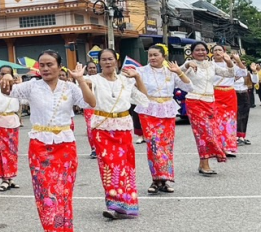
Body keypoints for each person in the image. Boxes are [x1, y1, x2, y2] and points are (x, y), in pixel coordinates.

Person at [8, 51, 96, 232]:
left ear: (59, 66)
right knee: (44, 188)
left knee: (64, 188)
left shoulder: (70, 88)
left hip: (65, 143)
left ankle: (64, 231)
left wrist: (81, 80)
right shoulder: (32, 86)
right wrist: (5, 80)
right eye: (42, 65)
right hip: (40, 143)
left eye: (50, 64)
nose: (45, 68)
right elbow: (9, 92)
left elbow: (91, 102)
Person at [85, 49, 149, 219]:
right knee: (108, 165)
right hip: (102, 128)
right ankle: (113, 204)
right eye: (104, 59)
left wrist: (137, 78)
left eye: (110, 59)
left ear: (116, 61)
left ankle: (127, 203)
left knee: (125, 165)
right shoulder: (92, 80)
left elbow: (143, 99)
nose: (107, 62)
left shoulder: (125, 81)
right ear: (99, 62)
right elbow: (84, 96)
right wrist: (79, 80)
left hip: (123, 126)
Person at [136, 47, 191, 193]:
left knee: (166, 146)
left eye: (155, 55)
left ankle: (164, 180)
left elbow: (189, 87)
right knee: (153, 145)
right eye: (150, 55)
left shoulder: (171, 71)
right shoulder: (141, 71)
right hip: (149, 110)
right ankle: (155, 180)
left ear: (163, 56)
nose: (152, 58)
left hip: (167, 110)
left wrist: (179, 72)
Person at [183, 44, 226, 175]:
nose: (200, 52)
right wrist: (186, 65)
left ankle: (203, 162)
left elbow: (229, 73)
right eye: (197, 50)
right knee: (203, 133)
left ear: (208, 52)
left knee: (212, 133)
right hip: (194, 101)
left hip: (211, 102)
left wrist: (229, 61)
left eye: (203, 50)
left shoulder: (212, 65)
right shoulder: (188, 64)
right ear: (192, 52)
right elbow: (177, 72)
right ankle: (205, 164)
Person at [0, 66, 21, 192]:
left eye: (7, 74)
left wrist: (21, 86)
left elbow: (26, 102)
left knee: (12, 153)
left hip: (12, 122)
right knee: (0, 153)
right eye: (2, 74)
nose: (4, 76)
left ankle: (11, 178)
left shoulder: (16, 87)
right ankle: (4, 179)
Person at [210, 46, 238, 159]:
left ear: (224, 52)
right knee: (216, 121)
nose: (217, 52)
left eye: (219, 50)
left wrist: (232, 62)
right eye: (215, 50)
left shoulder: (230, 64)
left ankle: (229, 147)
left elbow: (241, 73)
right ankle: (217, 147)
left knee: (229, 120)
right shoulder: (210, 65)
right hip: (215, 93)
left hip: (229, 95)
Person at [233, 56, 254, 146]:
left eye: (238, 62)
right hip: (234, 94)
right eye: (234, 62)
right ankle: (236, 137)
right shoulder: (229, 73)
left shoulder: (246, 73)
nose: (236, 64)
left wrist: (254, 71)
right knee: (237, 115)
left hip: (244, 94)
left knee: (244, 115)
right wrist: (234, 78)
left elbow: (254, 81)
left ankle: (242, 136)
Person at [82, 61, 101, 159]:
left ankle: (100, 148)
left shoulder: (101, 78)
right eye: (90, 68)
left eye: (94, 67)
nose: (92, 69)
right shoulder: (83, 79)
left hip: (101, 106)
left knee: (101, 128)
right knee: (90, 128)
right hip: (89, 107)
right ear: (87, 69)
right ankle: (93, 149)